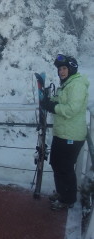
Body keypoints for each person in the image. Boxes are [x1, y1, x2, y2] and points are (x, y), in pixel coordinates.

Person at [41, 54, 89, 211]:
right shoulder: (66, 84)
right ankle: (62, 192)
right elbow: (59, 100)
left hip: (72, 135)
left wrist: (52, 107)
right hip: (61, 133)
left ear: (71, 69)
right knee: (56, 163)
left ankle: (68, 199)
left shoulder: (77, 85)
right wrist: (49, 100)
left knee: (66, 167)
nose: (61, 72)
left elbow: (71, 109)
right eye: (59, 69)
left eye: (64, 68)